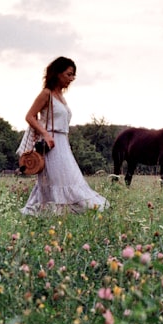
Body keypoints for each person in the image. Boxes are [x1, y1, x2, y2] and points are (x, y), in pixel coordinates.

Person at [18, 57, 109, 215]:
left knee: (69, 177)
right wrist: (45, 134)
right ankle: (51, 211)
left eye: (73, 75)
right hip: (51, 144)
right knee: (57, 180)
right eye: (68, 74)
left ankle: (62, 211)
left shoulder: (61, 96)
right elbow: (30, 116)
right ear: (57, 73)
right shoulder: (46, 93)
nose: (72, 79)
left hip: (62, 143)